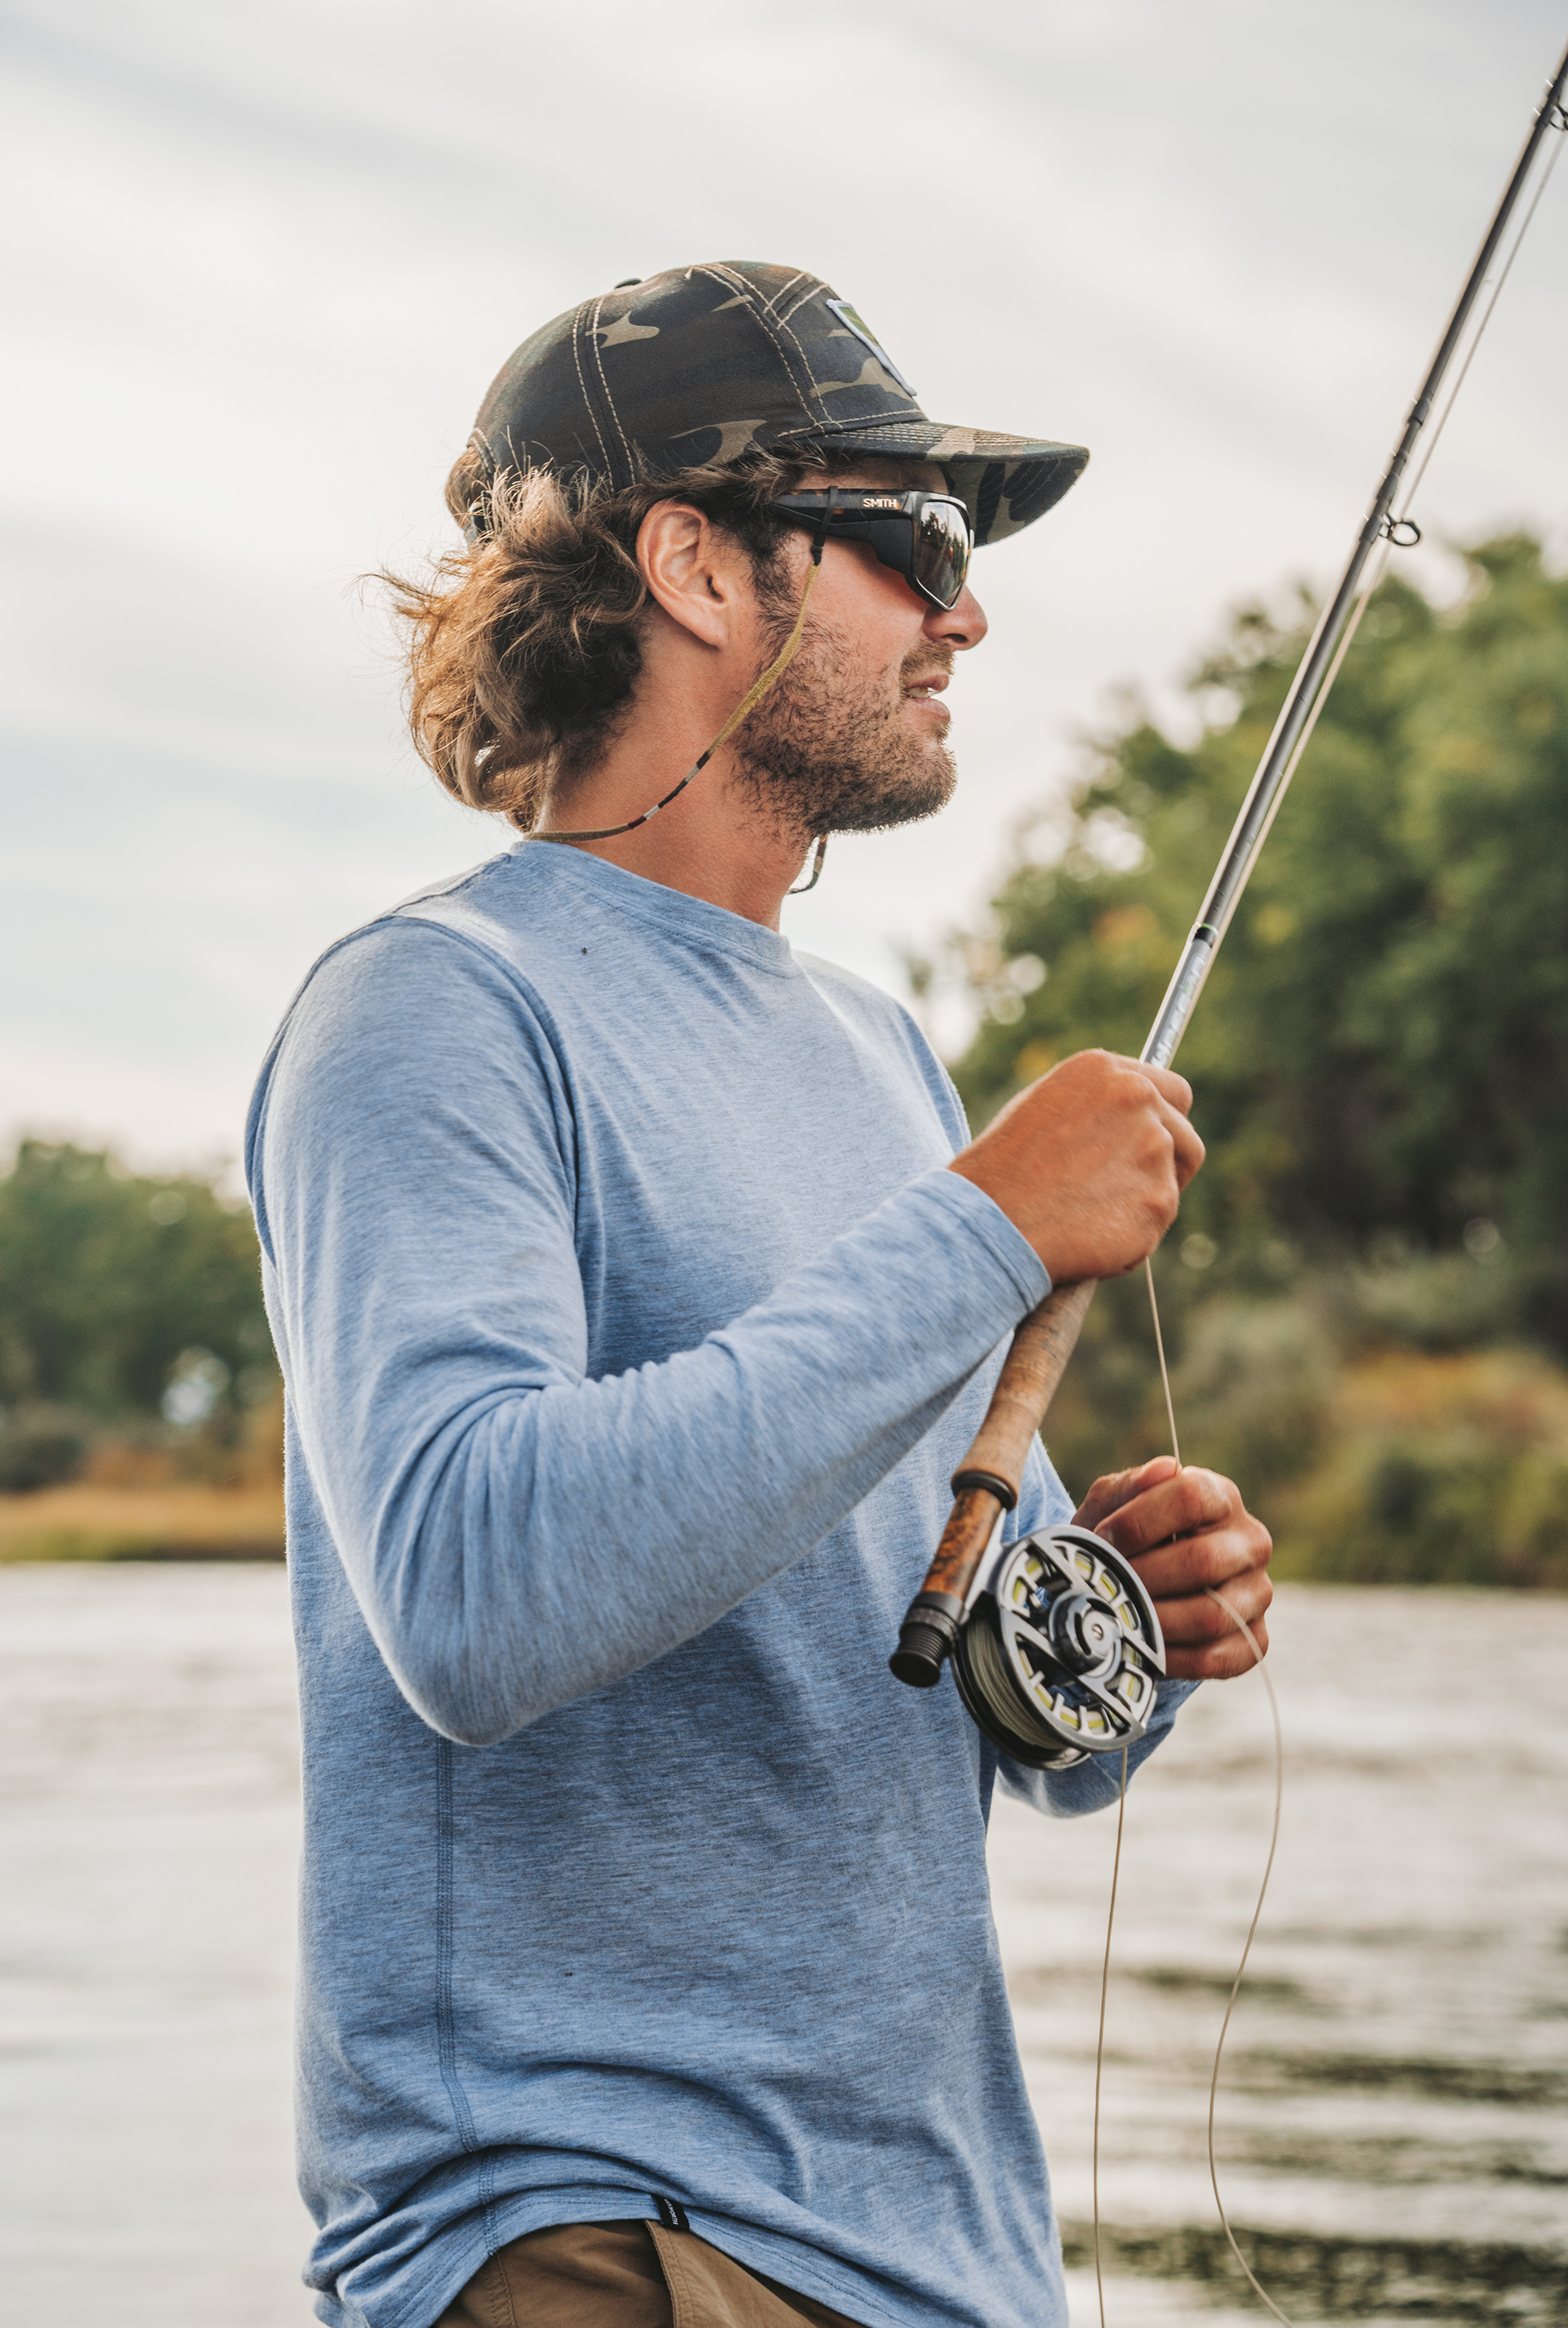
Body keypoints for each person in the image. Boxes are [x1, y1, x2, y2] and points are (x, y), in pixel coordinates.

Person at [246, 261, 1272, 2328]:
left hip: (939, 2263)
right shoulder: (430, 1011)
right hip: (604, 2237)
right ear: (697, 563)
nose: (963, 615)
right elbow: (470, 1592)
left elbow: (1014, 1723)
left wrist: (1130, 1626)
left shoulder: (883, 1055)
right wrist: (988, 1228)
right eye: (916, 540)